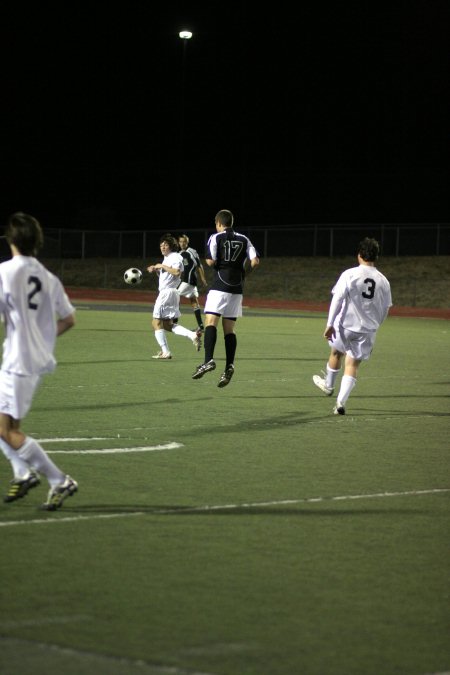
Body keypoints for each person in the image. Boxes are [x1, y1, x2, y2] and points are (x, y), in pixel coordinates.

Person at [0, 212, 78, 510]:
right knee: (4, 425)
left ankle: (59, 480)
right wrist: (44, 338)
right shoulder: (49, 277)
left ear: (11, 240)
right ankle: (22, 472)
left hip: (18, 361)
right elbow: (69, 319)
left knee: (9, 430)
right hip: (31, 360)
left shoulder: (6, 272)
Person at [313, 237, 392, 415]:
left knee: (335, 353)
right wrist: (376, 324)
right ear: (376, 257)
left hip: (345, 326)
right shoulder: (383, 280)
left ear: (359, 255)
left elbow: (337, 299)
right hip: (367, 330)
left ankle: (328, 385)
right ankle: (340, 403)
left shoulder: (349, 274)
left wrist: (329, 323)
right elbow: (386, 308)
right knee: (353, 365)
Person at [192, 209, 260, 387]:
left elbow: (209, 261)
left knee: (211, 322)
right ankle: (229, 365)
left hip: (220, 285)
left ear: (218, 223)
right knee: (229, 329)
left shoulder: (216, 237)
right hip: (237, 288)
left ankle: (208, 360)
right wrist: (244, 274)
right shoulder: (244, 239)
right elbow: (255, 261)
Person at [147, 234, 202, 359]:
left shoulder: (175, 256)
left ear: (171, 246)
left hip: (167, 294)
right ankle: (192, 335)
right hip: (169, 293)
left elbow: (177, 272)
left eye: (165, 245)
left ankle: (166, 352)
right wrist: (157, 270)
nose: (162, 247)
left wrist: (161, 266)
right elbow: (168, 277)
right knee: (167, 325)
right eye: (161, 245)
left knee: (156, 322)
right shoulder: (167, 259)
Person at [177, 234, 207, 331]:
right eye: (181, 241)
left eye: (184, 241)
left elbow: (199, 265)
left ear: (187, 242)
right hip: (187, 280)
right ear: (178, 242)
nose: (182, 243)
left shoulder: (192, 251)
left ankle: (174, 320)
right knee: (194, 301)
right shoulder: (180, 253)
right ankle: (201, 326)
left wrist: (203, 278)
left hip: (189, 280)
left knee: (174, 295)